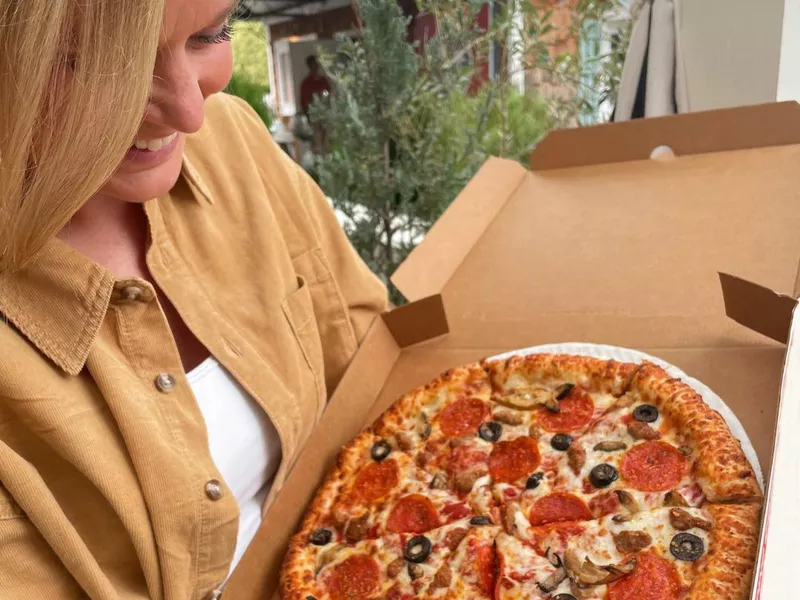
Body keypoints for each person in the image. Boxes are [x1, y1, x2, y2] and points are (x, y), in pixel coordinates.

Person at [0, 1, 387, 598]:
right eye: (103, 67)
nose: (189, 111)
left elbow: (372, 362)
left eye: (212, 35)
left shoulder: (233, 140)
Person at [299, 54, 331, 119]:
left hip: (325, 112)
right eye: (312, 65)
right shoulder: (306, 83)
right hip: (312, 115)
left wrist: (323, 94)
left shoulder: (323, 80)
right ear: (309, 66)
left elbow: (328, 92)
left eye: (316, 65)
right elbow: (304, 102)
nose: (314, 68)